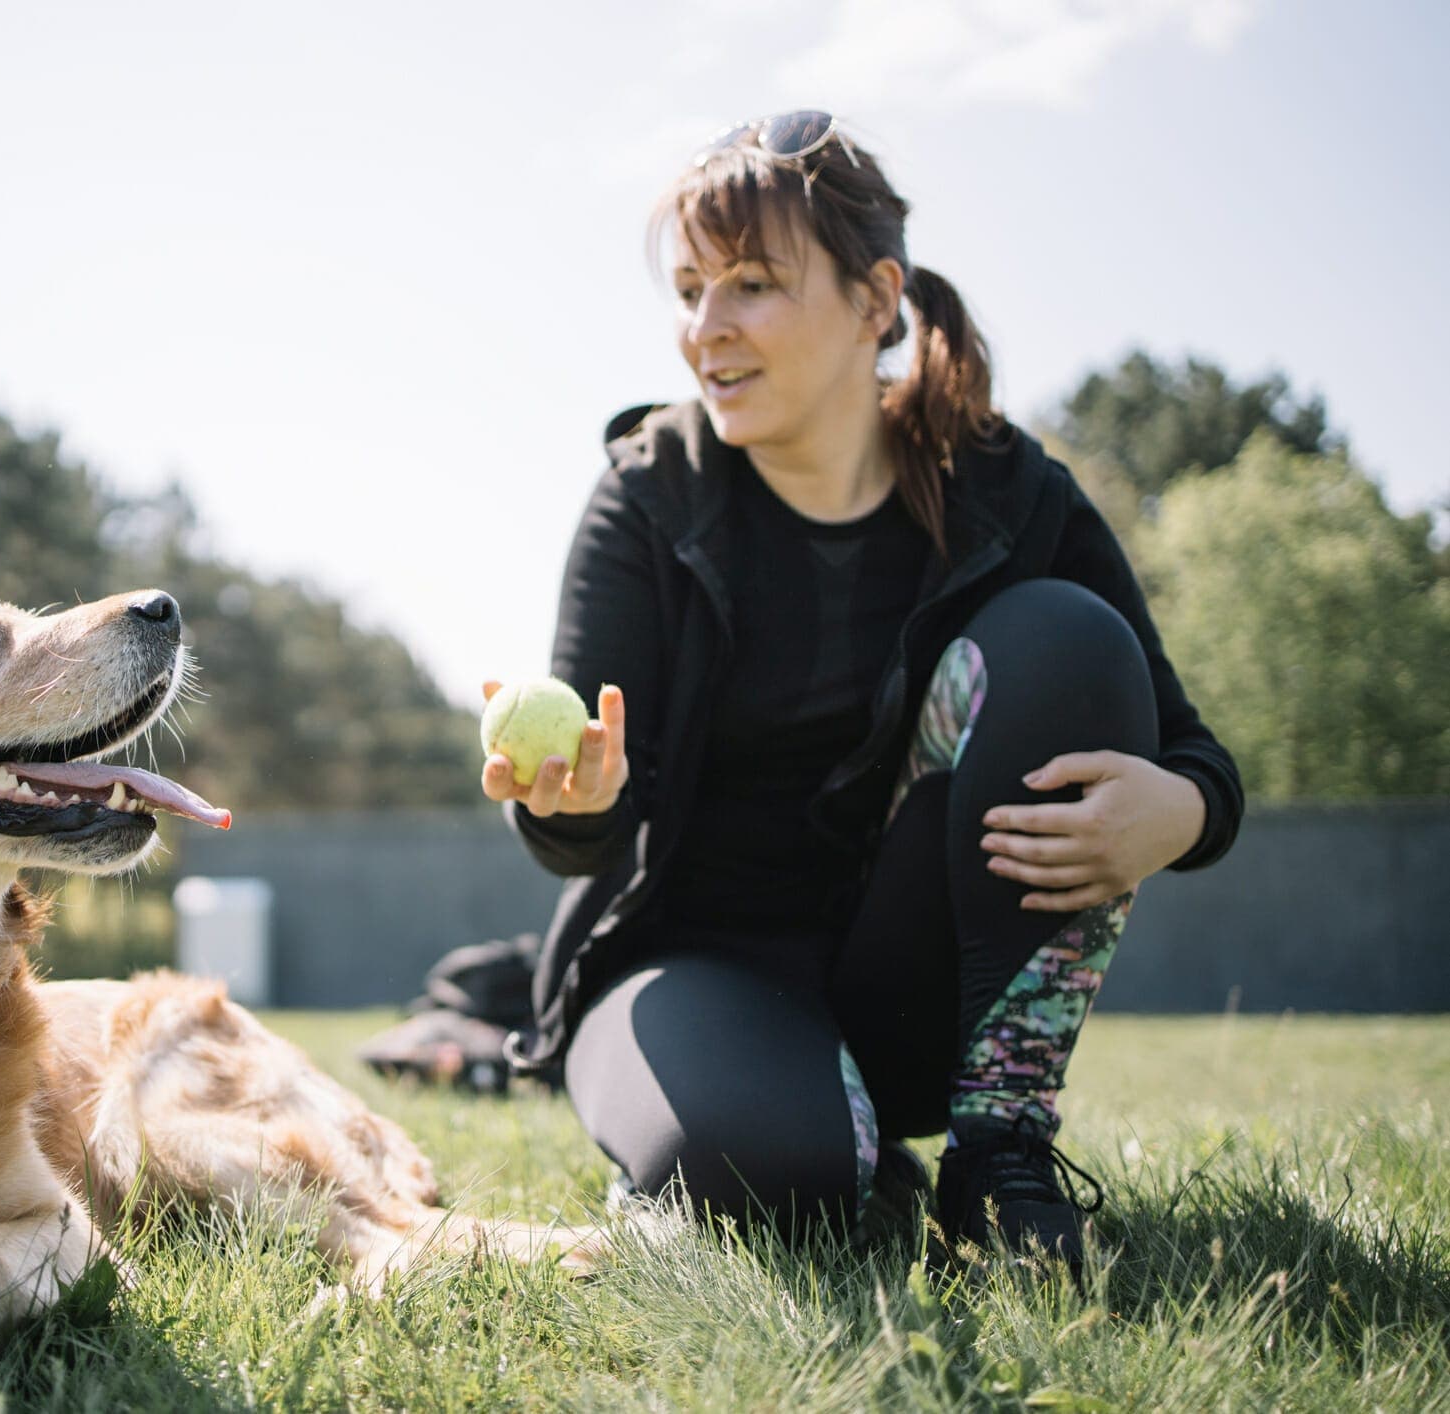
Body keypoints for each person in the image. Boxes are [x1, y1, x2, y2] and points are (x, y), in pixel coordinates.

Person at [480, 112, 1243, 1271]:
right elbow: (587, 832)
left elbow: (1195, 759)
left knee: (1064, 637)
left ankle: (1000, 1152)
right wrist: (571, 796)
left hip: (910, 978)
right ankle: (834, 1139)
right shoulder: (650, 499)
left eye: (750, 283)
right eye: (690, 290)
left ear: (875, 299)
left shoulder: (1007, 492)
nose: (706, 328)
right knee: (766, 1178)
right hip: (687, 964)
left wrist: (1175, 814)